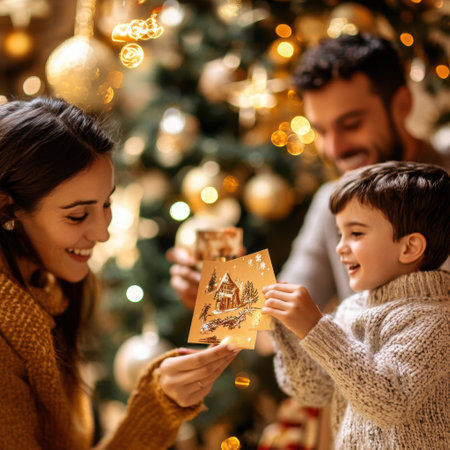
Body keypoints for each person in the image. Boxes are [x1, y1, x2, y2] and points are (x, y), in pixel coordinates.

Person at [0, 97, 240, 450]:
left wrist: (160, 402)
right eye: (78, 215)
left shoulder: (43, 293)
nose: (102, 233)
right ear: (8, 208)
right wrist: (154, 406)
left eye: (107, 204)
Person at [167, 32, 450, 312]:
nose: (334, 149)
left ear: (402, 105)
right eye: (322, 131)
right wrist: (216, 297)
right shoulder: (334, 204)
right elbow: (280, 321)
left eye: (351, 125)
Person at [262, 161, 449, 449]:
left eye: (356, 233)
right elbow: (315, 390)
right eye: (340, 234)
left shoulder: (436, 320)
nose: (340, 247)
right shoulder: (351, 309)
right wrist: (285, 329)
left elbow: (389, 401)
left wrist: (316, 328)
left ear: (409, 247)